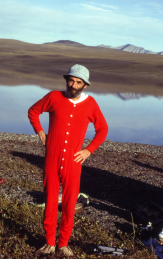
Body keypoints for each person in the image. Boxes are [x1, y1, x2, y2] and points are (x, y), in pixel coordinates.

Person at [28, 64, 108, 257]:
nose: (73, 85)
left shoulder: (90, 104)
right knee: (50, 200)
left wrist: (88, 151)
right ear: (66, 80)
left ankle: (63, 243)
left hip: (73, 162)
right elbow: (33, 111)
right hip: (51, 159)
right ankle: (49, 243)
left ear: (85, 85)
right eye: (71, 80)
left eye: (78, 82)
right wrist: (40, 132)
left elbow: (103, 129)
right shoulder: (54, 97)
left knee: (70, 203)